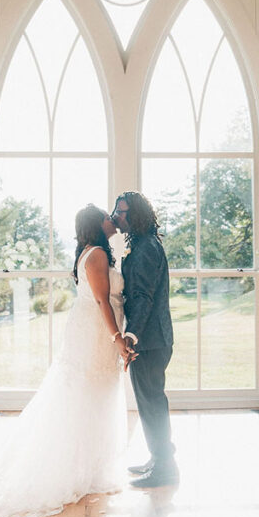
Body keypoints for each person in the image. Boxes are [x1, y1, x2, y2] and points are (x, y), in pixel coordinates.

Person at [0, 204, 133, 517]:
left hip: (89, 328)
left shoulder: (90, 251)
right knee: (91, 394)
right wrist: (117, 337)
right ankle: (78, 469)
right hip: (95, 332)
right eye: (107, 216)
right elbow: (103, 299)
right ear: (96, 223)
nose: (111, 219)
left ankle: (88, 467)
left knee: (91, 395)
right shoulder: (98, 254)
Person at [112, 191, 177, 488]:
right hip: (151, 338)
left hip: (150, 340)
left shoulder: (147, 247)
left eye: (123, 212)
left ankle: (165, 468)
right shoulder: (140, 244)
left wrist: (131, 335)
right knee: (149, 402)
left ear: (136, 215)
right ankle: (158, 459)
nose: (117, 216)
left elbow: (142, 296)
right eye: (116, 211)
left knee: (152, 404)